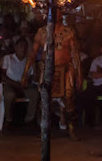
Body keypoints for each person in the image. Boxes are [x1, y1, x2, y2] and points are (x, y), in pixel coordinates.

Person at [21, 10, 82, 140]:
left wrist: (79, 75)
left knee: (69, 98)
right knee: (44, 100)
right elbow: (32, 53)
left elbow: (75, 54)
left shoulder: (68, 32)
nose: (57, 15)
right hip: (48, 69)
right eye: (55, 13)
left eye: (59, 13)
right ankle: (44, 130)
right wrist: (25, 73)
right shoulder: (42, 32)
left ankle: (71, 128)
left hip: (66, 69)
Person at [1, 38, 38, 128]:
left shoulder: (29, 60)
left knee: (35, 94)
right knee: (9, 95)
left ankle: (29, 119)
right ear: (15, 47)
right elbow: (2, 75)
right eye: (20, 46)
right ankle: (8, 119)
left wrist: (28, 79)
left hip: (25, 85)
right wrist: (14, 83)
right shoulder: (8, 58)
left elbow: (34, 76)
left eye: (25, 46)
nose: (23, 48)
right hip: (11, 84)